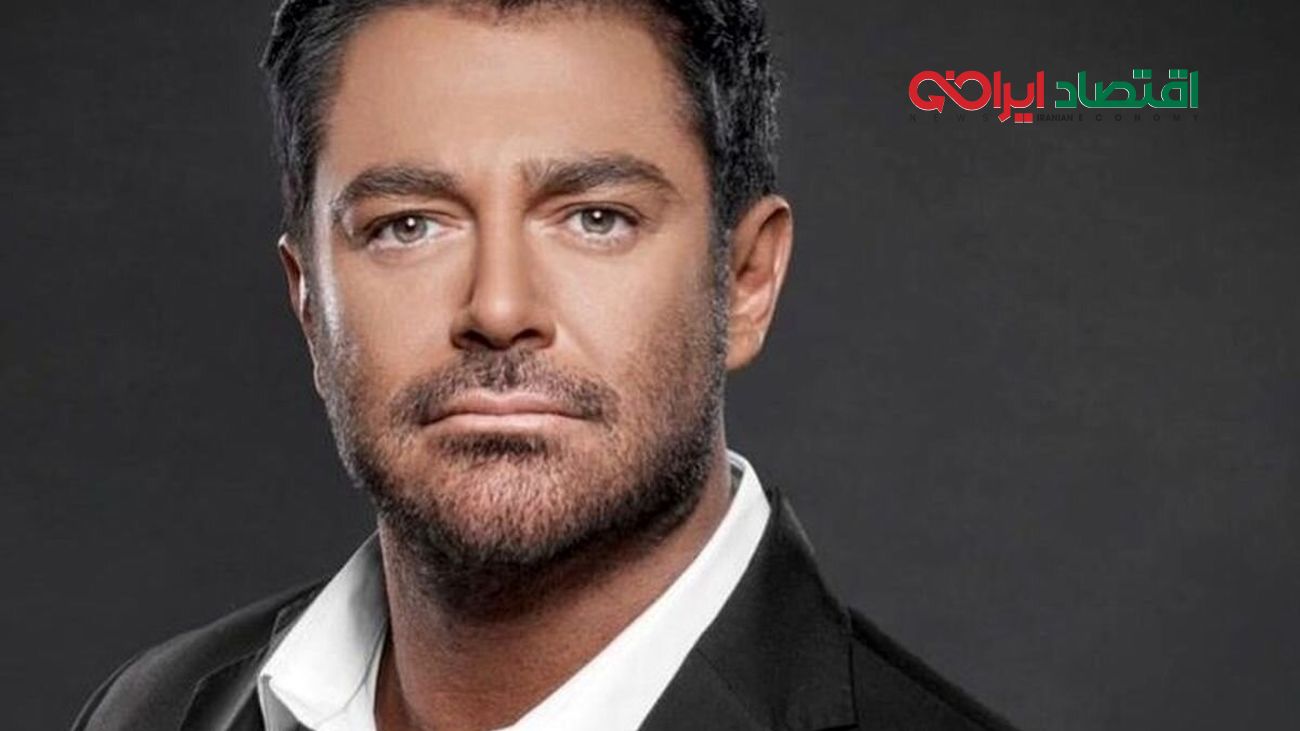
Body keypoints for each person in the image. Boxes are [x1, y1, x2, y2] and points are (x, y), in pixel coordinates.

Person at [73, 1, 1018, 729]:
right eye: (408, 225)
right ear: (309, 301)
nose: (498, 309)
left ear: (746, 280)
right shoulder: (149, 711)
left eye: (596, 218)